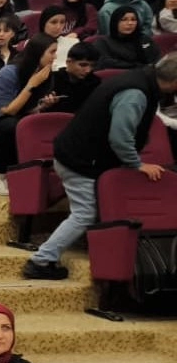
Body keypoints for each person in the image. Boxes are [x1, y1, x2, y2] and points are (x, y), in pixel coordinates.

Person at [28, 54, 177, 279]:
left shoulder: (141, 79)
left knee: (94, 210)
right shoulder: (135, 93)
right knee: (84, 214)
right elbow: (120, 138)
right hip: (81, 160)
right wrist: (136, 164)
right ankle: (40, 261)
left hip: (85, 156)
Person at [0, 34, 60, 197]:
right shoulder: (9, 73)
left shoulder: (44, 74)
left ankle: (33, 180)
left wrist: (42, 106)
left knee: (33, 125)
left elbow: (25, 110)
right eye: (52, 52)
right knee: (13, 126)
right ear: (38, 53)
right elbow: (7, 110)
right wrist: (31, 85)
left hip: (16, 117)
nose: (55, 57)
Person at [94, 6, 159, 70]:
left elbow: (156, 59)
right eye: (124, 20)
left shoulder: (143, 39)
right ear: (115, 22)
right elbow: (106, 63)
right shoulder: (104, 43)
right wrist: (137, 66)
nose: (130, 23)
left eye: (133, 20)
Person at [50, 40, 101, 113]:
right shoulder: (51, 80)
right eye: (83, 65)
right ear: (68, 62)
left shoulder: (95, 82)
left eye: (92, 66)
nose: (88, 70)